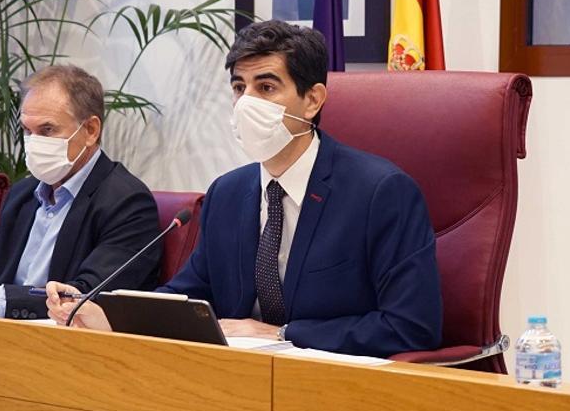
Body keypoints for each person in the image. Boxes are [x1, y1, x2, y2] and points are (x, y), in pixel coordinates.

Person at [47, 20, 443, 358]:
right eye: (239, 88)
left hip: (338, 388)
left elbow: (410, 326)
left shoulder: (380, 193)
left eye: (266, 87)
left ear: (312, 100)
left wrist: (284, 334)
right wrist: (107, 314)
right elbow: (189, 297)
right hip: (237, 385)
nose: (246, 102)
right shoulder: (228, 194)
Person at [0, 65, 161, 319]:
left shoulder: (127, 202)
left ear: (91, 130)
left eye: (47, 130)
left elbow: (82, 298)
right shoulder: (23, 194)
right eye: (27, 131)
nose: (34, 142)